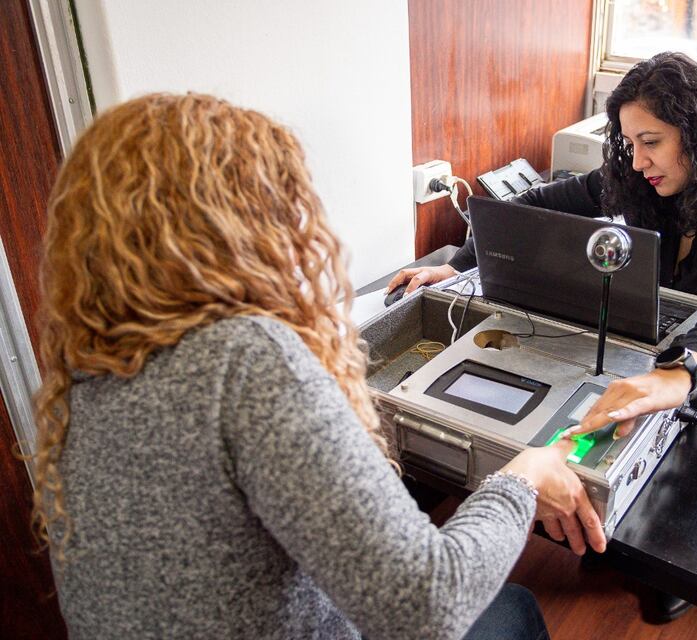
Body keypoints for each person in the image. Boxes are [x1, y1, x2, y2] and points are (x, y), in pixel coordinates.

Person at [30, 93, 606, 640]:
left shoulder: (86, 374)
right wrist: (522, 476)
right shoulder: (244, 358)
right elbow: (429, 604)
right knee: (515, 608)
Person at [388, 51, 697, 441]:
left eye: (652, 142)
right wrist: (456, 267)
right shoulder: (645, 182)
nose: (638, 162)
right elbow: (529, 207)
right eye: (631, 143)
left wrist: (682, 370)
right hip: (655, 363)